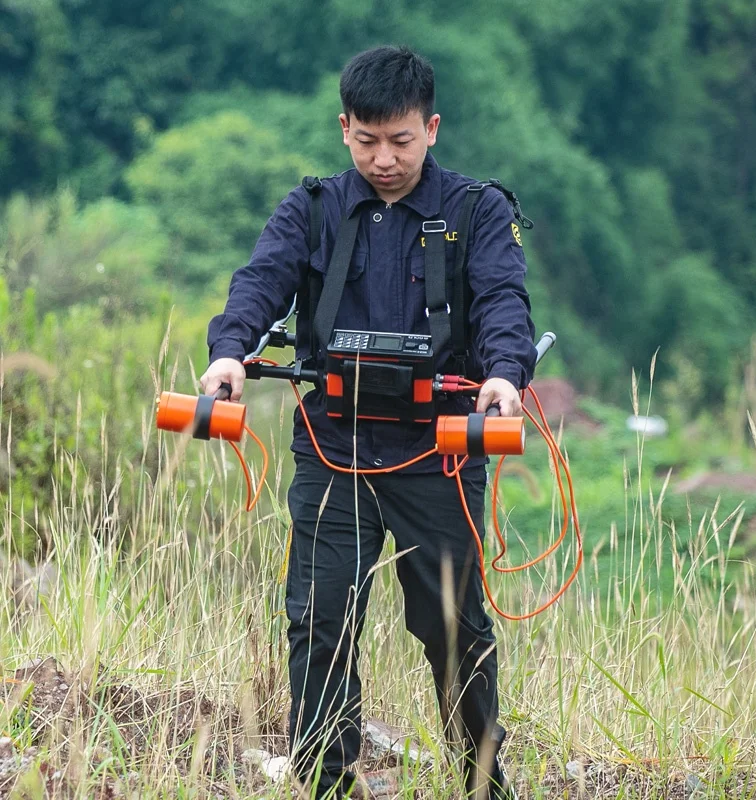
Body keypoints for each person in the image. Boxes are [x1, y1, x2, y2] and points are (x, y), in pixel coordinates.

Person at [201, 45, 536, 799]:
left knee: (454, 629)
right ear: (344, 128)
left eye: (402, 141)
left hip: (439, 452)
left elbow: (504, 305)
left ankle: (482, 780)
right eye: (367, 141)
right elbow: (258, 285)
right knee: (320, 620)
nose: (384, 159)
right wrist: (229, 355)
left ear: (433, 128)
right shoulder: (311, 209)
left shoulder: (476, 212)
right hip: (333, 447)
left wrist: (506, 378)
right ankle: (324, 783)